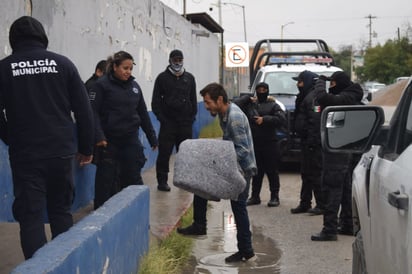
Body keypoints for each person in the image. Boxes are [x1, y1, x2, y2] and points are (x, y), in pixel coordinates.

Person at [0, 16, 94, 259]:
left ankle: (38, 268)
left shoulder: (4, 68)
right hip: (61, 151)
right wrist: (86, 146)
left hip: (26, 154)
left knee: (30, 216)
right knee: (61, 211)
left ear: (13, 39)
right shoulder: (63, 64)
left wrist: (10, 137)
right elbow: (83, 110)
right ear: (42, 36)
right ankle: (65, 265)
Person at [177, 83, 257, 263]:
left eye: (207, 102)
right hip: (235, 167)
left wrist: (219, 164)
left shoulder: (234, 118)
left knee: (239, 208)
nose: (206, 107)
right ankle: (200, 225)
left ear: (219, 99)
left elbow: (242, 150)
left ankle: (246, 250)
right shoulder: (224, 114)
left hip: (241, 170)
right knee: (201, 184)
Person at [90, 51, 158, 209]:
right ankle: (101, 216)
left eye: (130, 69)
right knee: (106, 181)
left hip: (130, 140)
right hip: (108, 141)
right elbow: (92, 113)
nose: (128, 72)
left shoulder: (134, 87)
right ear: (114, 67)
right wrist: (99, 136)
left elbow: (142, 113)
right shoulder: (101, 85)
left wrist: (152, 137)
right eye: (124, 68)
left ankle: (136, 213)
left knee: (133, 178)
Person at [310, 71, 363, 241]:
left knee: (332, 188)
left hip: (337, 149)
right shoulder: (351, 96)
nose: (330, 88)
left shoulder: (346, 98)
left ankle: (330, 229)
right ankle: (347, 224)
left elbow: (322, 98)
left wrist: (319, 83)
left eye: (332, 84)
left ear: (339, 83)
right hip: (346, 149)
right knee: (346, 187)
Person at [234, 82, 286, 207]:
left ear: (267, 91)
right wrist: (247, 98)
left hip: (270, 143)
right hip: (254, 143)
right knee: (256, 172)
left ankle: (274, 196)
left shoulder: (273, 105)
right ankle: (255, 196)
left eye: (264, 89)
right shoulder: (251, 105)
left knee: (272, 171)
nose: (262, 92)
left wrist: (264, 119)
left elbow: (281, 119)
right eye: (259, 90)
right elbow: (235, 106)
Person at [151, 49, 197, 191]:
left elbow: (193, 100)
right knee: (164, 153)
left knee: (185, 154)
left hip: (185, 124)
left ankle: (185, 180)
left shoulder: (189, 78)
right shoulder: (162, 78)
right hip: (168, 124)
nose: (177, 63)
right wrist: (162, 119)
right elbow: (155, 102)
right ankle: (162, 181)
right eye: (175, 60)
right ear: (170, 60)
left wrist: (191, 117)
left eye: (180, 60)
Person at [290, 70, 325, 215]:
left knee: (315, 173)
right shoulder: (304, 96)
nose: (298, 85)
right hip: (305, 142)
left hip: (313, 144)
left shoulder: (313, 98)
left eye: (300, 81)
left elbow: (314, 121)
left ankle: (321, 204)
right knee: (306, 173)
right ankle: (305, 202)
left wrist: (312, 142)